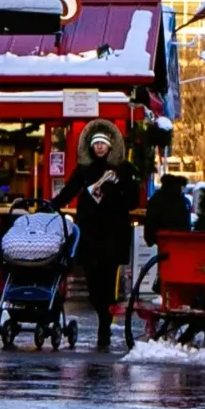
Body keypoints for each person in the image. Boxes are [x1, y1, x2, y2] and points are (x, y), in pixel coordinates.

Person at [63, 126, 145, 352]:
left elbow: (132, 200)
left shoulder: (123, 169)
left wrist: (114, 191)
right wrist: (51, 205)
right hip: (89, 232)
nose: (99, 147)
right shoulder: (85, 170)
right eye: (95, 143)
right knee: (93, 282)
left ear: (110, 146)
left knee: (108, 281)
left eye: (103, 143)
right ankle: (101, 314)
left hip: (112, 233)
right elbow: (69, 190)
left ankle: (104, 326)